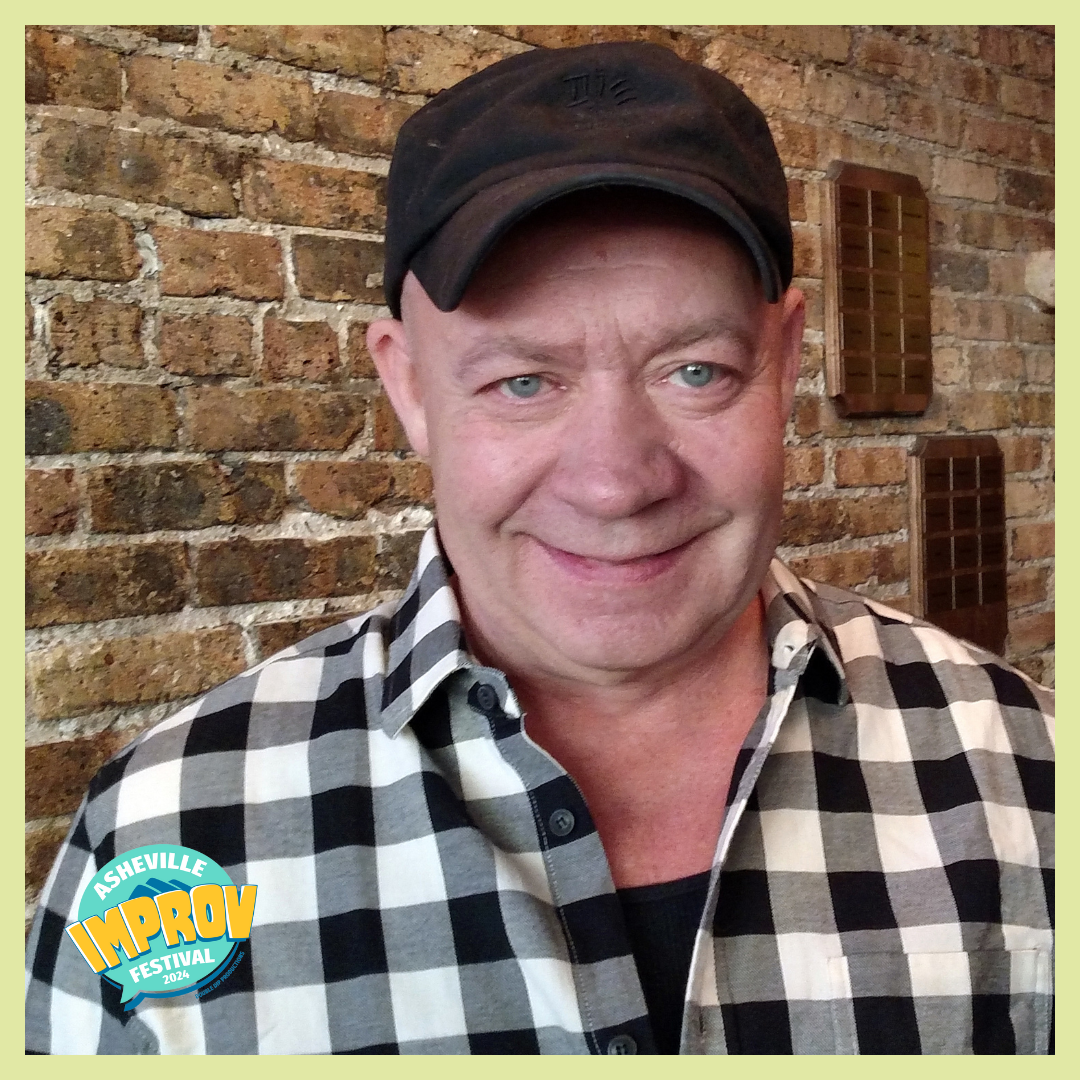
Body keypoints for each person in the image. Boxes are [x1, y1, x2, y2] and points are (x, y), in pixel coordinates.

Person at [26, 41, 1053, 1055]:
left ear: (784, 362)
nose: (615, 481)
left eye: (694, 372)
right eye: (523, 382)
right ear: (410, 388)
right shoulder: (169, 829)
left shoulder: (1029, 773)